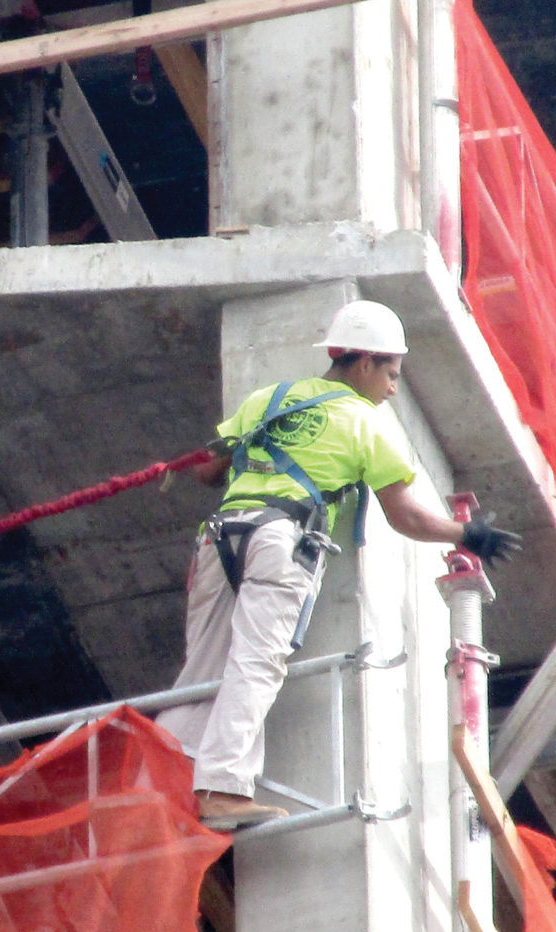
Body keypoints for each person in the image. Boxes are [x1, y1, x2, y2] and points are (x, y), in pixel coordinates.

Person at [155, 300, 521, 831]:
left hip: (219, 538)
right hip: (281, 542)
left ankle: (161, 775)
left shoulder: (269, 398)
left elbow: (208, 469)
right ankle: (221, 789)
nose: (394, 388)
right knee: (257, 663)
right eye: (391, 373)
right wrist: (467, 533)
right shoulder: (363, 423)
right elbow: (407, 517)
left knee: (203, 668)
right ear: (365, 362)